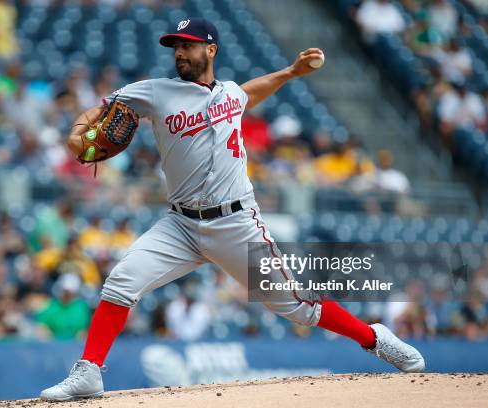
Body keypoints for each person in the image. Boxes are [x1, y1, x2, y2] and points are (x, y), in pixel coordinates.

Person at [40, 18, 425, 401]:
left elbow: (249, 93)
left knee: (298, 309)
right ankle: (88, 371)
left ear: (211, 49)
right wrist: (77, 133)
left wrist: (291, 72)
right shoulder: (155, 93)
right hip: (180, 225)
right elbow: (100, 108)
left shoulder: (228, 94)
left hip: (237, 224)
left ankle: (375, 339)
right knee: (121, 282)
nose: (179, 52)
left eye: (188, 45)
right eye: (176, 46)